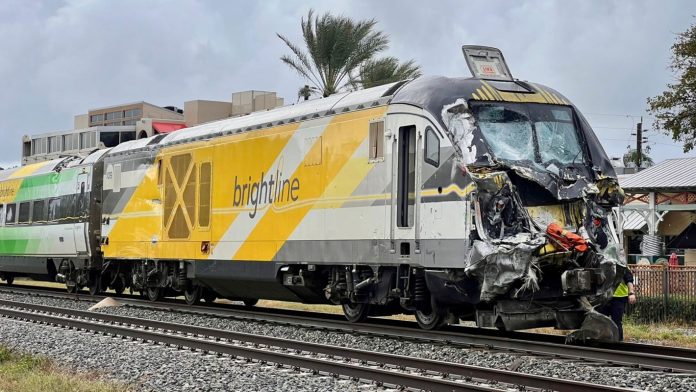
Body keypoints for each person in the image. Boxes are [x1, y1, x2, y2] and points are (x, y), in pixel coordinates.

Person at [600, 268, 637, 341]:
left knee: (616, 321)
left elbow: (629, 280)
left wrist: (631, 293)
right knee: (601, 320)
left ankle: (619, 342)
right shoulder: (603, 262)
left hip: (619, 297)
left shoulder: (622, 265)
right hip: (604, 297)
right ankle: (603, 341)